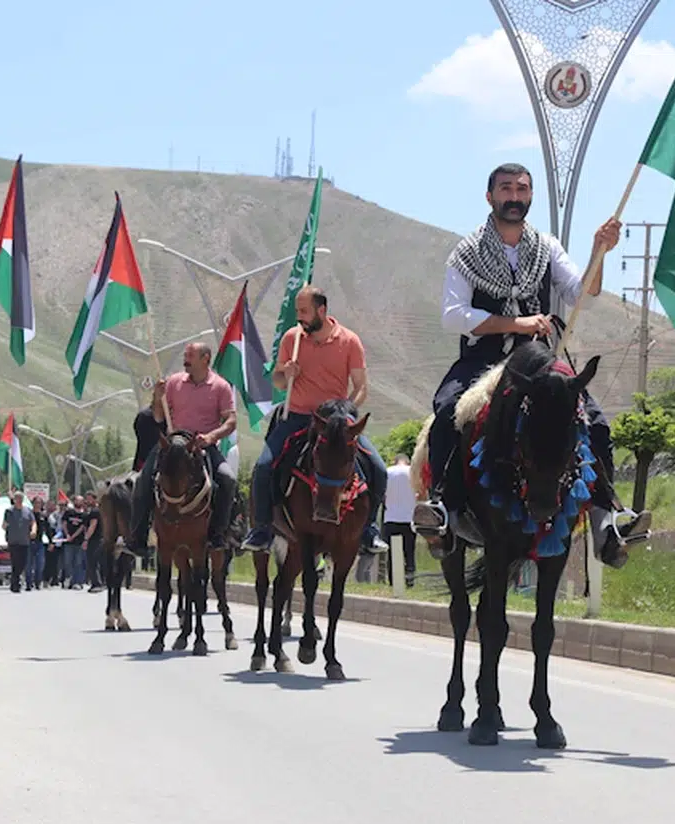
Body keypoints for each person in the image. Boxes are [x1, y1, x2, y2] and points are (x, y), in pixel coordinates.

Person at [410, 162, 650, 567]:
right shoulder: (466, 253)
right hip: (484, 358)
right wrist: (516, 323)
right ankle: (444, 510)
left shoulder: (547, 247)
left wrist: (598, 251)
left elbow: (582, 295)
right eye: (506, 189)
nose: (515, 197)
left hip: (539, 361)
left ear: (530, 197)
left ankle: (607, 518)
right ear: (490, 197)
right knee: (448, 410)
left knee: (597, 420)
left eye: (522, 190)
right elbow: (454, 314)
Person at [241, 287, 388, 554]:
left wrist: (346, 412)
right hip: (297, 417)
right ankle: (262, 528)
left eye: (304, 311)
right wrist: (286, 372)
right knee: (263, 467)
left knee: (378, 467)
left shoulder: (349, 341)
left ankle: (369, 529)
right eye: (298, 311)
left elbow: (361, 387)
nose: (299, 317)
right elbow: (277, 382)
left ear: (322, 310)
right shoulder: (292, 339)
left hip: (336, 422)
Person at [125, 342, 238, 557]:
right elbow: (159, 417)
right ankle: (138, 536)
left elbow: (231, 420)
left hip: (203, 445)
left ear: (206, 358)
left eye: (190, 356)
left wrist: (212, 436)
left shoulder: (221, 386)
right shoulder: (174, 382)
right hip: (173, 444)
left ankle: (218, 533)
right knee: (143, 479)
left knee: (228, 479)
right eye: (185, 355)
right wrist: (157, 398)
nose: (185, 359)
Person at [383, 454, 417, 587]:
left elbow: (383, 495)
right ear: (407, 461)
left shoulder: (387, 472)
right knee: (409, 551)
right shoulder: (413, 472)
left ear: (395, 461)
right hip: (410, 518)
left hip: (391, 517)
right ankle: (410, 580)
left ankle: (394, 581)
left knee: (392, 553)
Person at [2, 491, 36, 593]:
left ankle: (15, 580)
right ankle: (15, 584)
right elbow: (4, 525)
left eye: (21, 498)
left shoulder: (28, 511)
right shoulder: (9, 511)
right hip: (13, 541)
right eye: (17, 498)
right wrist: (5, 526)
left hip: (24, 541)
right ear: (14, 500)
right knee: (15, 562)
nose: (19, 500)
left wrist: (33, 531)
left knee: (22, 563)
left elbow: (33, 522)